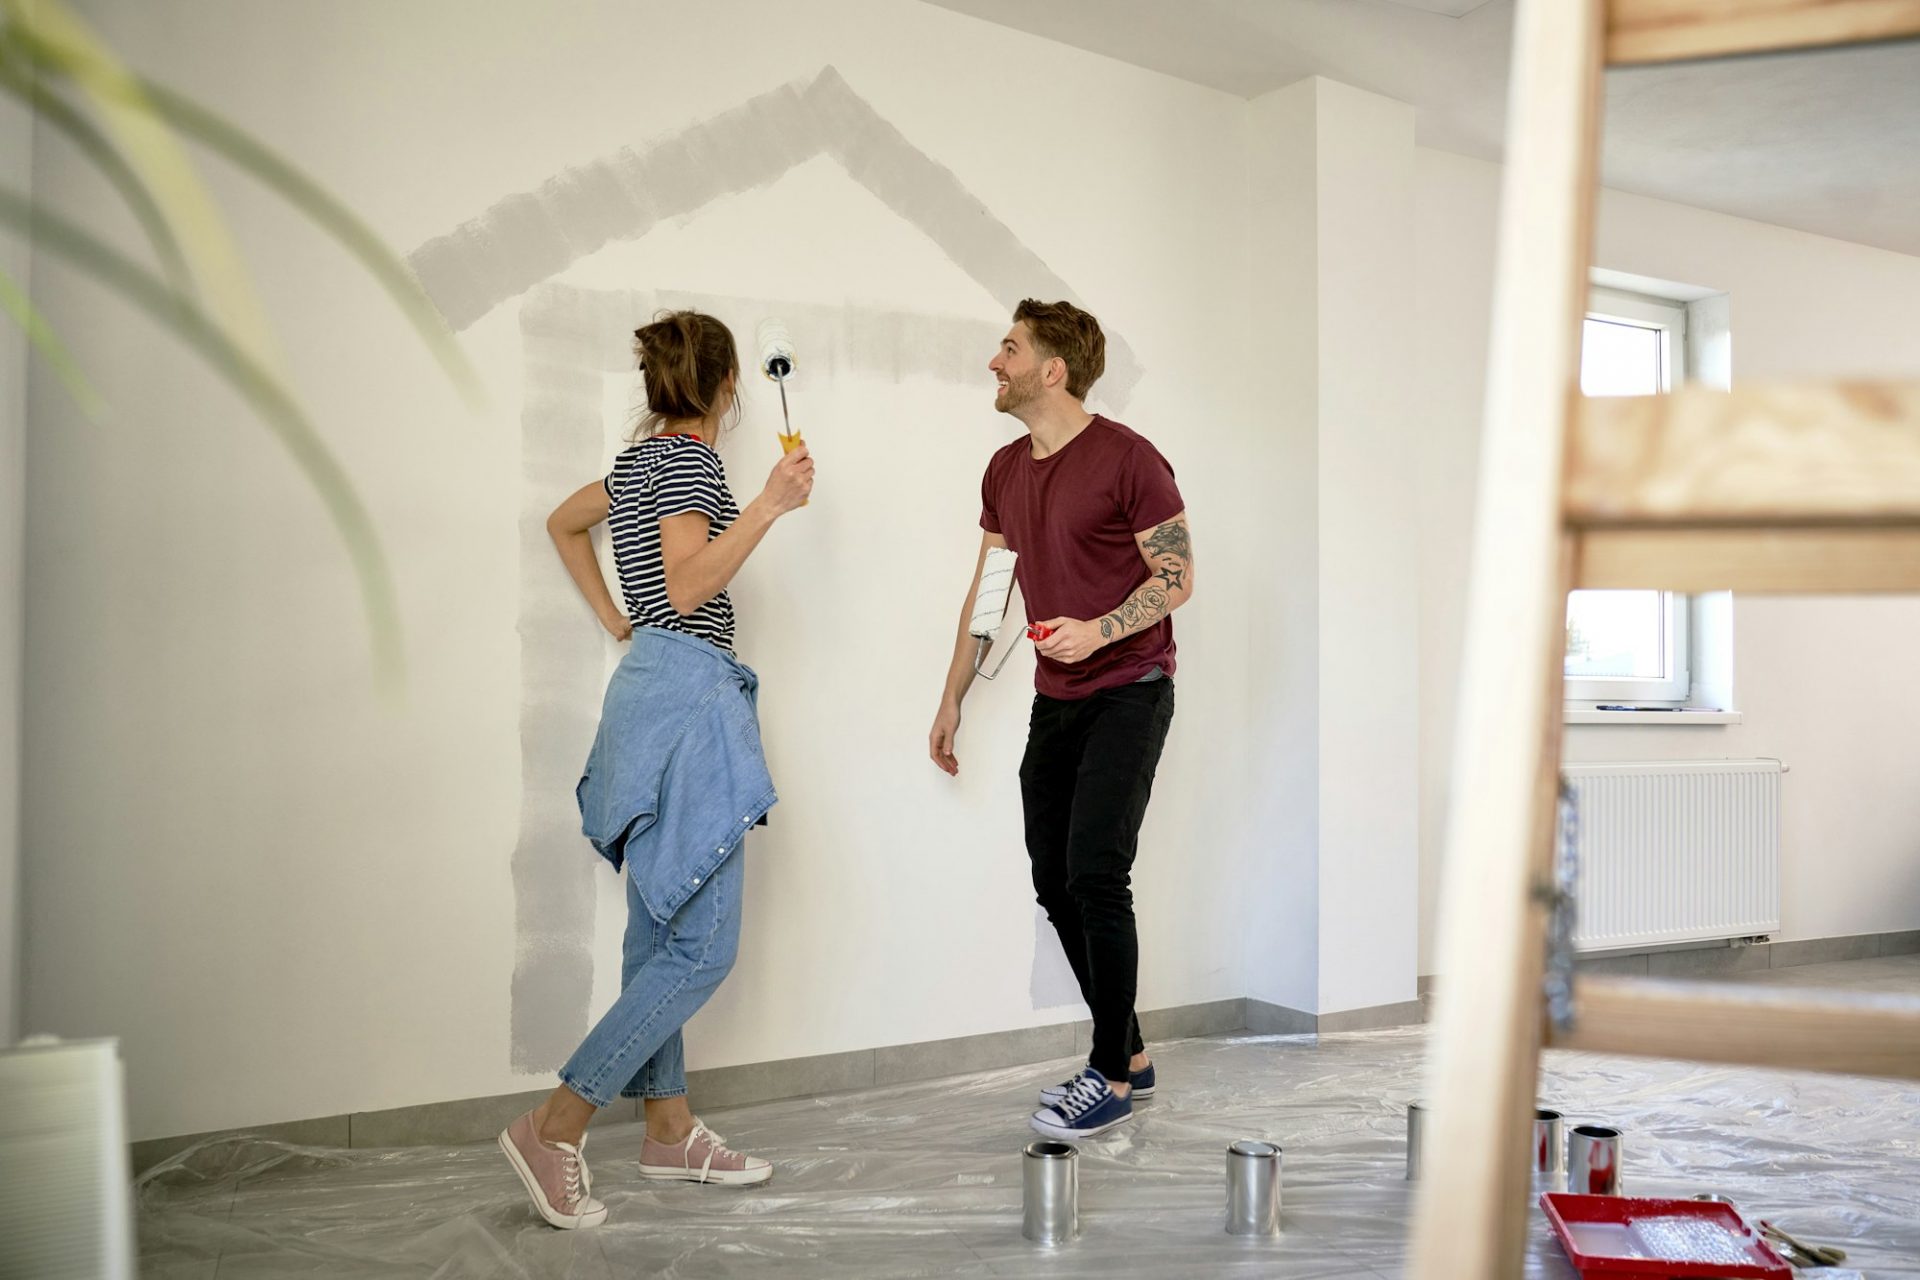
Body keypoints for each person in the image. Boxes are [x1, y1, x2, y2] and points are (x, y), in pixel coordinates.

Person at [499, 310, 814, 1228]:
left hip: (642, 691)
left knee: (655, 933)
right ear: (726, 390)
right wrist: (767, 506)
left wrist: (612, 619)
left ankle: (669, 1129)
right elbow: (684, 586)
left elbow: (564, 525)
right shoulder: (692, 462)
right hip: (688, 700)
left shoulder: (633, 466)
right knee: (702, 947)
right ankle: (555, 1127)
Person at [929, 299, 1193, 1141]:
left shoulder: (1129, 459)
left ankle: (1109, 1075)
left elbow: (1178, 576)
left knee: (1094, 873)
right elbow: (990, 593)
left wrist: (1102, 628)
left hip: (1132, 685)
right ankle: (1135, 1053)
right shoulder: (1004, 470)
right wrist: (952, 696)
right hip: (1058, 697)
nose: (993, 363)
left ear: (1054, 369)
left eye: (1008, 349)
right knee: (1054, 877)